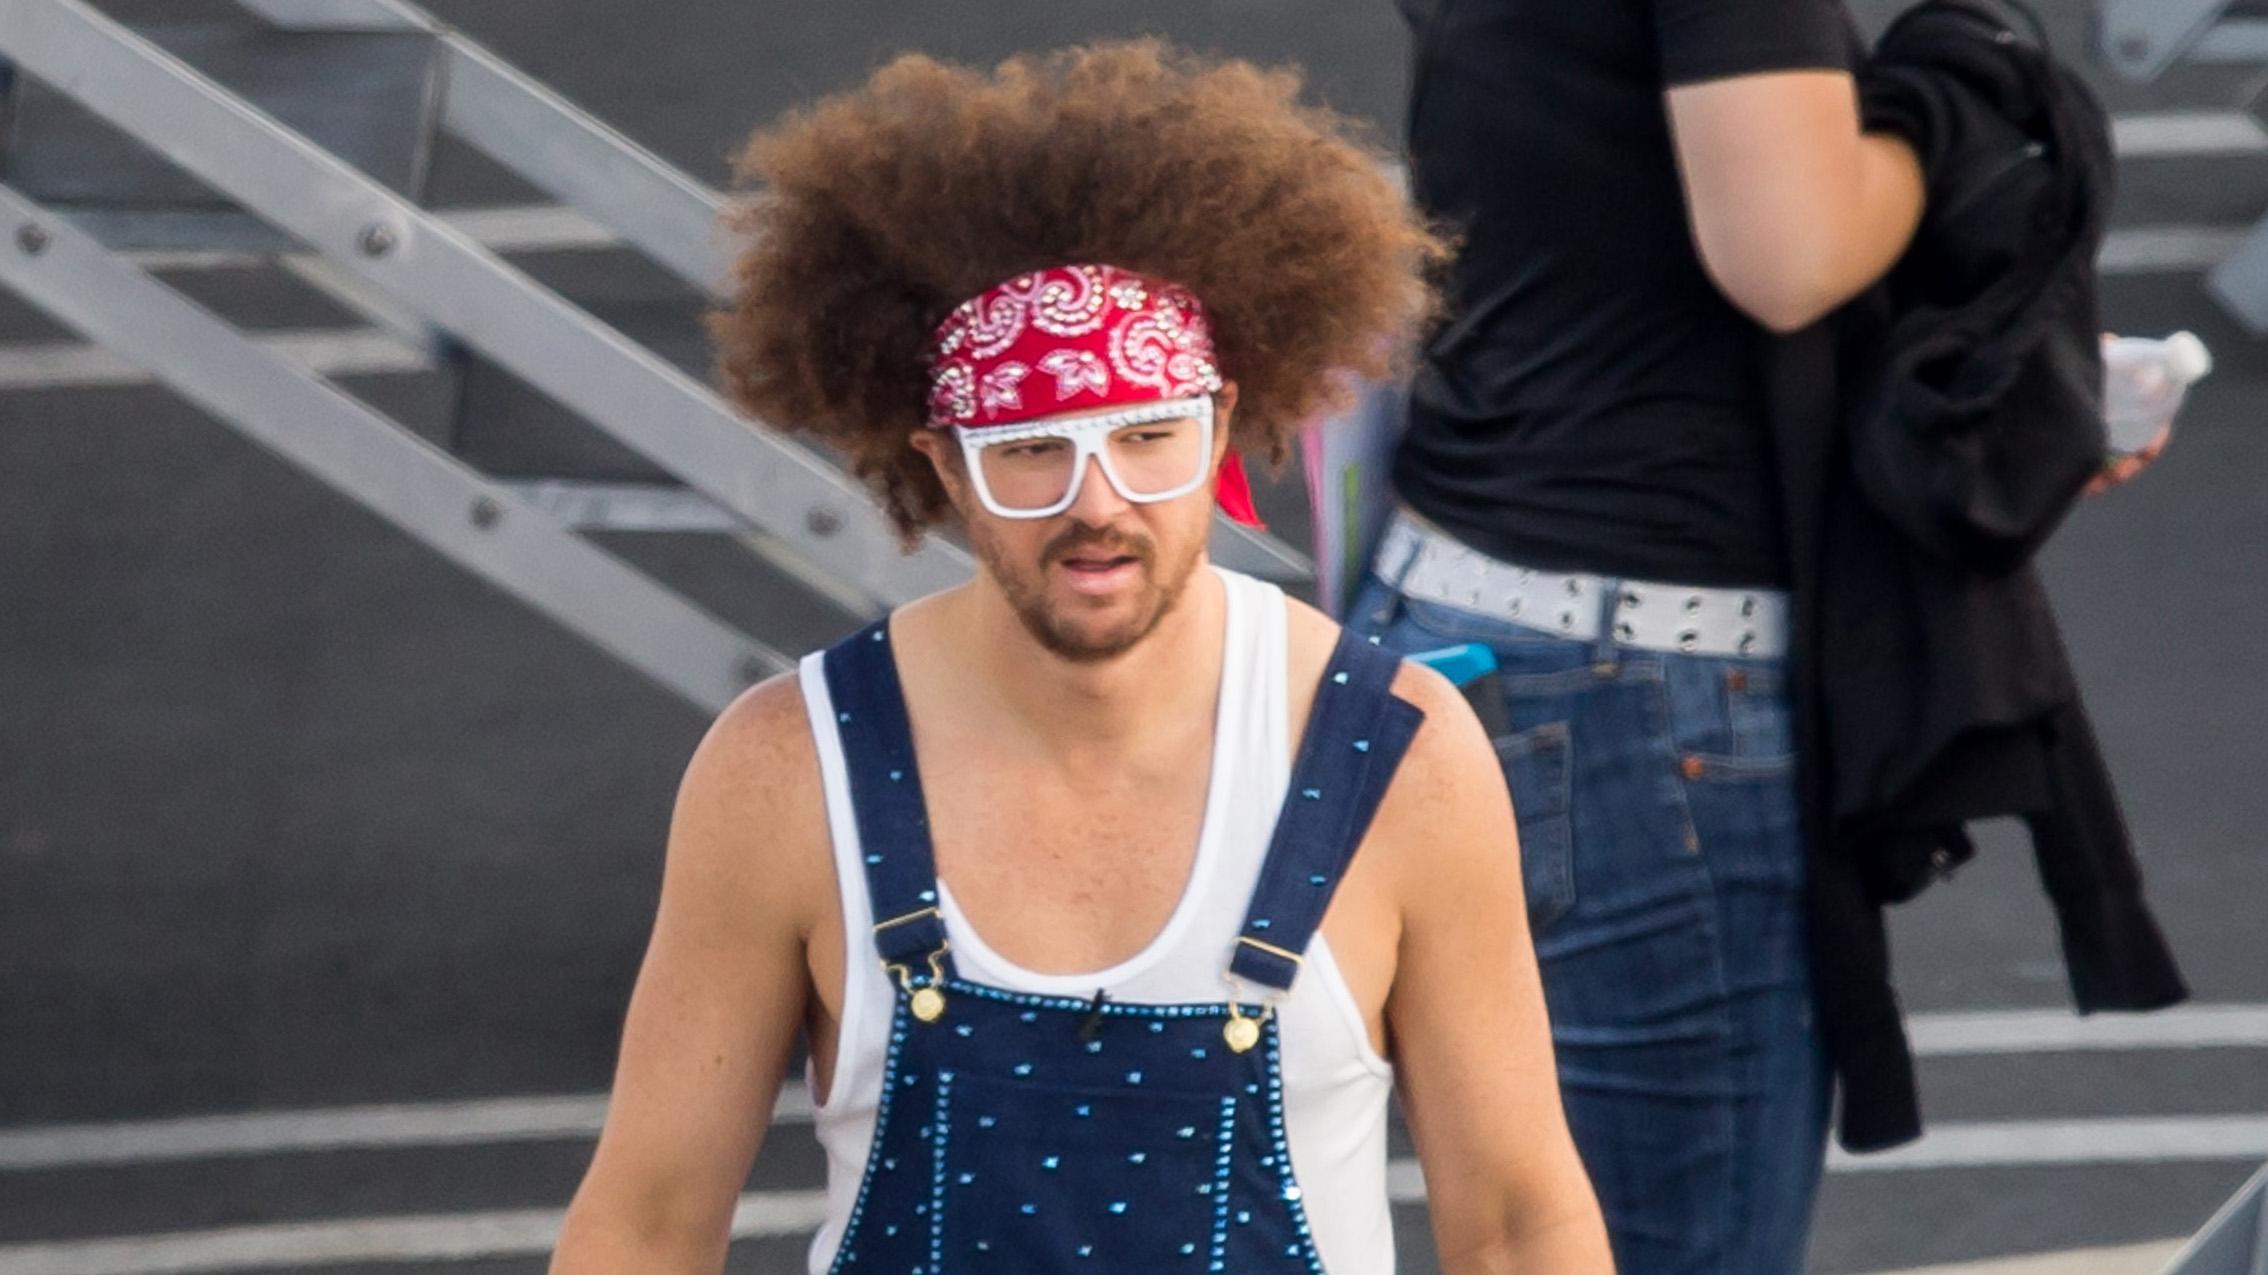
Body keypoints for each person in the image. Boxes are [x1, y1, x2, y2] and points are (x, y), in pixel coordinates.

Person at [550, 42, 1611, 1274]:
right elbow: (645, 1225)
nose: (1095, 503)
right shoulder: (785, 770)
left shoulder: (1398, 756)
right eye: (1030, 450)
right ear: (943, 467)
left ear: (1219, 422)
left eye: (1146, 437)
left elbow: (1522, 1227)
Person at [1354, 1, 2178, 1272]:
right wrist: (1947, 113)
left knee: (1519, 1226)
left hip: (1466, 611)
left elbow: (1596, 199)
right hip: (1644, 685)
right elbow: (1785, 251)